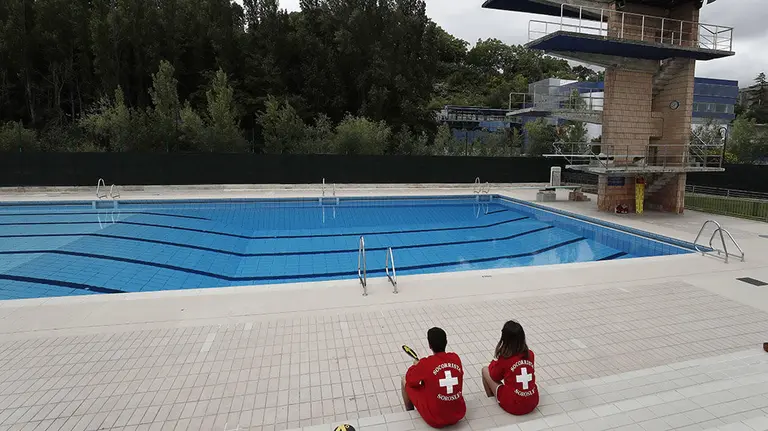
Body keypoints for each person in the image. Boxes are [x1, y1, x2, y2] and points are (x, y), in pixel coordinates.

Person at [401, 327, 466, 428]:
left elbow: (410, 380)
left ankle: (410, 414)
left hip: (436, 419)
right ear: (446, 342)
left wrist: (415, 366)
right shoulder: (455, 358)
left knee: (404, 380)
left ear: (429, 345)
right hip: (458, 412)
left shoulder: (425, 364)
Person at [481, 320, 539, 415]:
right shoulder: (530, 354)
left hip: (514, 405)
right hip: (533, 401)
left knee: (485, 370)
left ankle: (493, 403)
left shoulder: (505, 358)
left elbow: (495, 376)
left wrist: (494, 363)